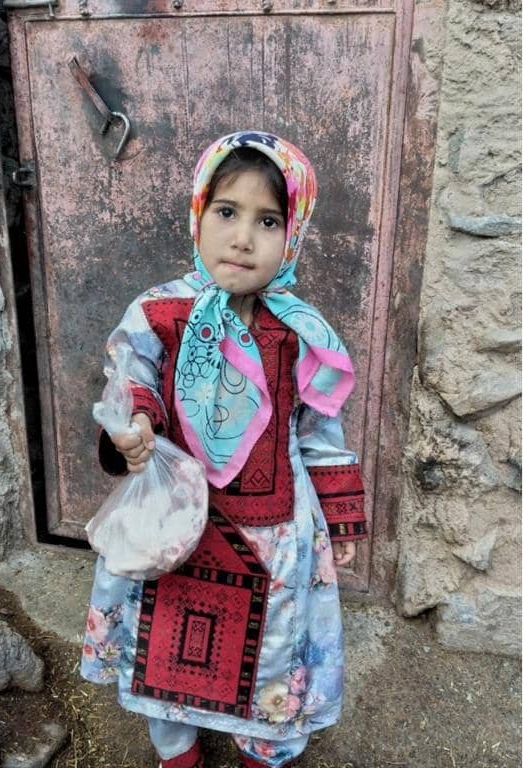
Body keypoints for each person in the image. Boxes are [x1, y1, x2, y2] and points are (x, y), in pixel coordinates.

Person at [80, 131, 368, 768]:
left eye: (268, 221)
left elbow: (321, 430)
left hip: (272, 534)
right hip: (172, 529)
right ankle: (176, 749)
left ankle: (262, 747)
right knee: (164, 638)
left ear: (292, 236)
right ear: (199, 214)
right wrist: (136, 429)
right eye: (227, 212)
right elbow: (130, 378)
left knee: (270, 647)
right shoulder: (160, 313)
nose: (243, 238)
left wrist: (342, 518)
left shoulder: (302, 334)